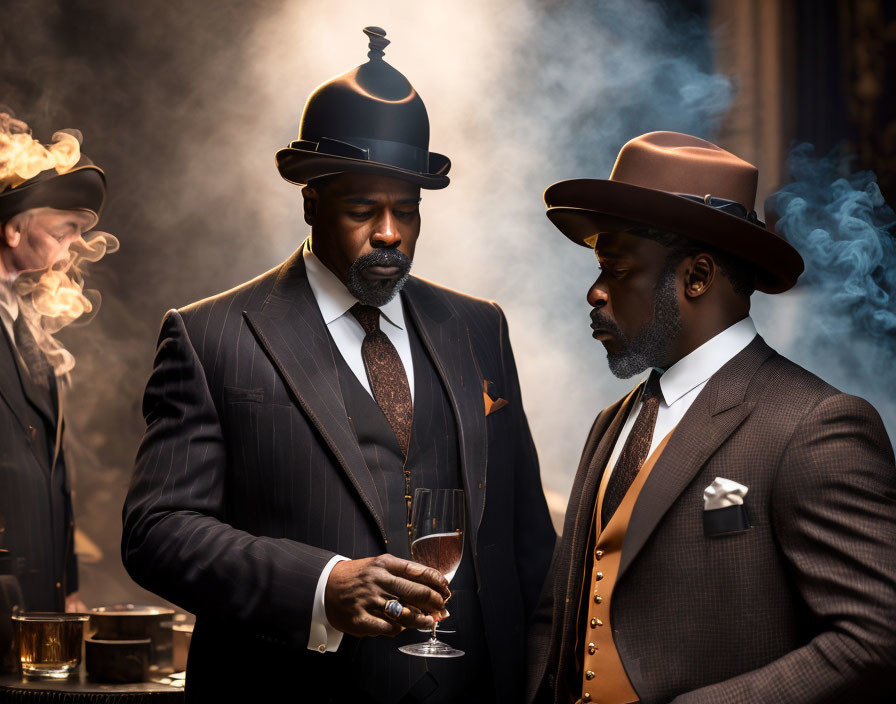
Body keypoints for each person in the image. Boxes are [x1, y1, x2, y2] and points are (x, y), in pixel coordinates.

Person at [122, 27, 554, 703]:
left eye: (406, 213)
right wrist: (322, 585)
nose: (389, 233)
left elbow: (528, 534)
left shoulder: (479, 326)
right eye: (362, 210)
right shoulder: (209, 336)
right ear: (310, 202)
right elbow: (158, 532)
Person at [527, 131, 896, 704]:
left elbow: (877, 637)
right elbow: (563, 615)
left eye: (617, 270)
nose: (594, 293)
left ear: (698, 277)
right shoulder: (612, 422)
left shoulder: (815, 426)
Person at [0, 112, 106, 612]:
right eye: (68, 227)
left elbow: (52, 471)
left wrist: (70, 586)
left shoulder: (32, 332)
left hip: (41, 603)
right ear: (15, 229)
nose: (81, 243)